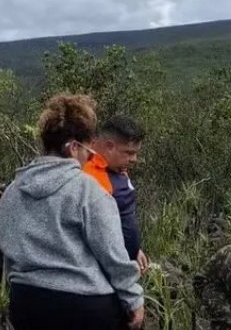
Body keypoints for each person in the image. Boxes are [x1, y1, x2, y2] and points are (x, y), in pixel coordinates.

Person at [0, 93, 145, 330]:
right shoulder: (88, 191)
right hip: (85, 305)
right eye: (88, 150)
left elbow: (8, 251)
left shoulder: (13, 192)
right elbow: (112, 255)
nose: (90, 156)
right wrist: (134, 299)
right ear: (73, 147)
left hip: (26, 304)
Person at [83, 114, 149, 274]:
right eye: (128, 152)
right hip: (100, 272)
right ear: (109, 146)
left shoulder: (115, 169)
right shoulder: (89, 176)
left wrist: (134, 251)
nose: (134, 159)